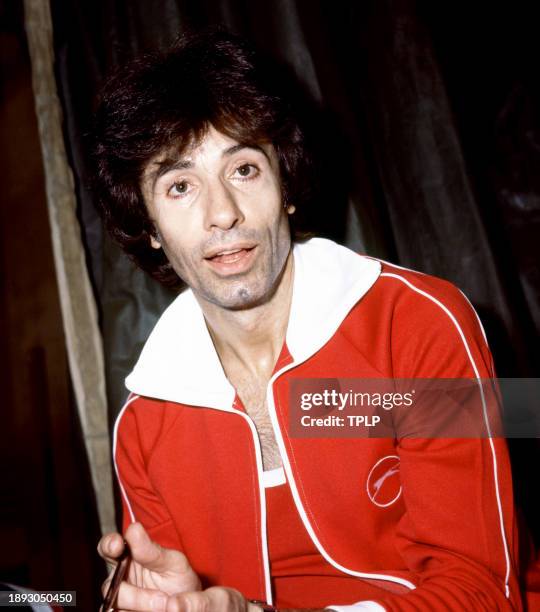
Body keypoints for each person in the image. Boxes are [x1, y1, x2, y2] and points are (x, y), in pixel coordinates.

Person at [92, 30, 523, 611]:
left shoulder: (420, 324)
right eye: (180, 187)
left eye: (243, 170)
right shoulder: (143, 428)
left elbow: (483, 593)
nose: (223, 214)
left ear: (285, 184)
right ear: (149, 228)